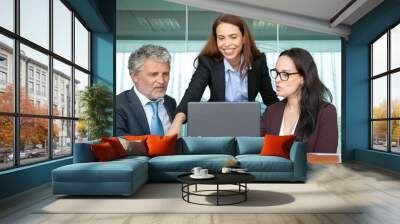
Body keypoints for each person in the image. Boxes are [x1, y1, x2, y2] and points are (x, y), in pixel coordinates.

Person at [166, 14, 279, 136]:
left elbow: (269, 96)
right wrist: (176, 123)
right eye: (221, 38)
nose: (226, 43)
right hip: (216, 124)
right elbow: (192, 93)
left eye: (233, 37)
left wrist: (287, 113)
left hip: (249, 124)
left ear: (244, 38)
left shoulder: (258, 61)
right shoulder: (208, 62)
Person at [261, 48, 338, 153]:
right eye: (277, 73)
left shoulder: (325, 112)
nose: (277, 79)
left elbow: (325, 161)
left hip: (311, 170)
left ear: (303, 78)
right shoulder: (271, 111)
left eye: (285, 74)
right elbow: (256, 151)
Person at [116, 45, 176, 136]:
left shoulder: (170, 102)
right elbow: (119, 143)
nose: (161, 81)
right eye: (154, 74)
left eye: (165, 74)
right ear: (135, 76)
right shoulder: (118, 104)